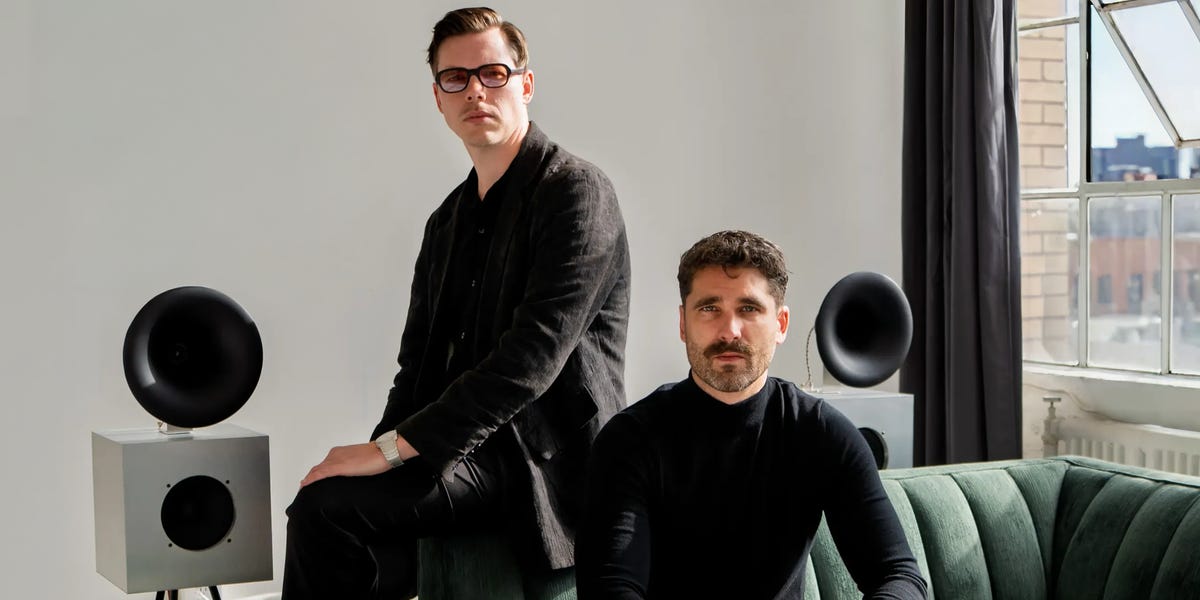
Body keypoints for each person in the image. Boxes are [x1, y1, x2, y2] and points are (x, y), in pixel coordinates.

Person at [281, 7, 630, 598]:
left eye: (493, 73)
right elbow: (416, 365)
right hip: (463, 452)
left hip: (542, 459)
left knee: (326, 512)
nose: (475, 90)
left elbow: (531, 360)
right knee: (326, 502)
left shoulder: (577, 191)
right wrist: (378, 450)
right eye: (455, 78)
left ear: (526, 84)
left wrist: (391, 451)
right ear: (438, 99)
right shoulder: (446, 221)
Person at [575, 231, 927, 599]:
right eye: (709, 308)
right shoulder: (629, 441)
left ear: (781, 325)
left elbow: (898, 575)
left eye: (748, 309)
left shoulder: (822, 433)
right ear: (683, 324)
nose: (730, 331)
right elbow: (610, 590)